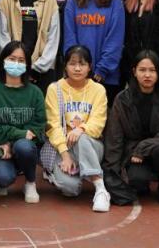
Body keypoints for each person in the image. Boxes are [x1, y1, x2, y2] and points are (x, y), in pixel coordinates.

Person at [102, 50, 159, 206]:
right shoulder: (122, 99)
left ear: (158, 73)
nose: (147, 75)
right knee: (138, 183)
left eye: (152, 70)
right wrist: (112, 172)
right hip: (133, 153)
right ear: (134, 72)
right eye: (142, 70)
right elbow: (114, 136)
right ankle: (143, 179)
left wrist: (143, 147)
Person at [43, 45, 111, 212]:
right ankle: (56, 173)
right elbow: (53, 125)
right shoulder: (55, 89)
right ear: (65, 66)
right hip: (64, 147)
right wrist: (65, 155)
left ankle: (100, 189)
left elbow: (98, 124)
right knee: (70, 189)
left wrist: (80, 129)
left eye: (82, 64)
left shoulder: (98, 90)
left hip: (91, 146)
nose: (77, 68)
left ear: (90, 67)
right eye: (72, 63)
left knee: (82, 138)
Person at [0, 41, 46, 203]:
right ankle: (8, 170)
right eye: (12, 59)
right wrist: (17, 134)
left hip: (25, 145)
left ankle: (30, 182)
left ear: (27, 65)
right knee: (3, 179)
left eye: (21, 60)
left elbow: (39, 125)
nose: (16, 63)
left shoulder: (35, 92)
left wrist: (12, 143)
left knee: (24, 147)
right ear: (3, 61)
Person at [63, 0, 125, 105]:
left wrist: (102, 69)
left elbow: (115, 40)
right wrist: (77, 66)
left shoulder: (115, 3)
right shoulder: (73, 2)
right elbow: (69, 38)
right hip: (78, 74)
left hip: (105, 77)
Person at [0, 0, 60, 95]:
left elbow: (53, 36)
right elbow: (1, 33)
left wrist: (37, 67)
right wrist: (15, 62)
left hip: (42, 70)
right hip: (12, 68)